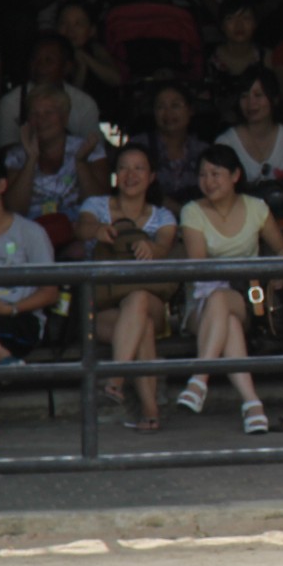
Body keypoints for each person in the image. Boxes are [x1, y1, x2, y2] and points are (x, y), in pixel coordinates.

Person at [175, 145, 283, 433]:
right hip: (202, 300)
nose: (208, 181)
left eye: (216, 174)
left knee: (226, 305)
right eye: (203, 174)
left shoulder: (256, 208)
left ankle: (199, 380)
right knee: (223, 313)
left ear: (235, 175)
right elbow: (199, 267)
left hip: (248, 297)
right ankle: (252, 404)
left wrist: (280, 274)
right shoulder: (192, 212)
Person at [76, 146, 178, 431]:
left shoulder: (163, 217)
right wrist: (97, 232)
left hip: (151, 300)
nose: (130, 175)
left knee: (140, 298)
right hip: (104, 306)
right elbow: (81, 228)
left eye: (139, 168)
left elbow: (164, 247)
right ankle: (150, 411)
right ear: (114, 174)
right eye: (123, 168)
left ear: (152, 176)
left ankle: (115, 381)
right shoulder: (95, 206)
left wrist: (151, 247)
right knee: (140, 323)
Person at [0, 163, 60, 435]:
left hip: (19, 318)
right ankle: (1, 355)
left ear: (1, 186)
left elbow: (51, 291)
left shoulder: (30, 232)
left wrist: (10, 308)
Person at [4, 84, 108, 254]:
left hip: (77, 233)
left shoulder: (88, 149)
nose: (41, 119)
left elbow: (99, 204)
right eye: (35, 114)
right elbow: (15, 209)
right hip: (29, 235)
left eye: (48, 113)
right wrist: (31, 159)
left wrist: (80, 163)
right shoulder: (17, 155)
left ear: (65, 118)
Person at [214, 67, 283, 221]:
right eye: (244, 96)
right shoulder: (225, 142)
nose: (251, 102)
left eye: (258, 95)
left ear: (275, 99)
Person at [133, 82, 209, 212]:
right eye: (160, 107)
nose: (168, 112)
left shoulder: (205, 151)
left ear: (190, 110)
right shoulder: (139, 146)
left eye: (175, 105)